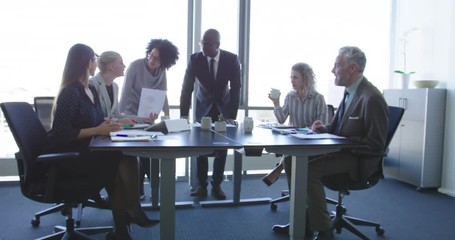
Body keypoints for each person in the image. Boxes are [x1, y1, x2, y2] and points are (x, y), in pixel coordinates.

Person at [43, 43, 159, 240]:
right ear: (87, 63)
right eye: (94, 59)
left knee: (126, 159)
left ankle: (124, 227)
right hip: (71, 159)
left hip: (88, 150)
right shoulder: (71, 92)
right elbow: (61, 133)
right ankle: (130, 215)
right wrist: (98, 130)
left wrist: (112, 122)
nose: (96, 63)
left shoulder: (87, 90)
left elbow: (97, 118)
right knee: (121, 165)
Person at [272, 46, 388, 240]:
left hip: (358, 160)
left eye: (337, 65)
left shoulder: (372, 98)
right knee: (291, 161)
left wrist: (343, 142)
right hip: (343, 152)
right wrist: (324, 128)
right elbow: (336, 127)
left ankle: (325, 231)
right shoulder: (350, 92)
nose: (332, 70)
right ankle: (303, 221)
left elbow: (376, 144)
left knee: (308, 171)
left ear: (352, 68)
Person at [180, 29, 241, 200]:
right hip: (202, 108)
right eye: (202, 43)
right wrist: (184, 116)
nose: (203, 47)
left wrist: (232, 115)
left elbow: (236, 89)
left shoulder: (231, 59)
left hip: (224, 108)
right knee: (201, 149)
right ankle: (201, 185)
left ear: (217, 45)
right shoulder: (195, 59)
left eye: (207, 44)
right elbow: (187, 88)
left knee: (221, 149)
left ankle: (217, 185)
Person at [119, 39, 179, 199]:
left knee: (147, 152)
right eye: (150, 55)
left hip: (148, 117)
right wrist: (118, 118)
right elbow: (124, 95)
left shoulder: (162, 71)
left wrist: (167, 118)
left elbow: (163, 94)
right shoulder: (135, 66)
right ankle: (143, 189)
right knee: (137, 153)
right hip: (130, 116)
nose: (151, 60)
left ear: (165, 62)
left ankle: (147, 189)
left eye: (157, 59)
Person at [89, 51, 135, 126]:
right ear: (112, 66)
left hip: (110, 132)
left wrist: (144, 119)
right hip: (96, 134)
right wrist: (118, 122)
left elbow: (116, 114)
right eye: (121, 63)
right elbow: (95, 117)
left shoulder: (115, 87)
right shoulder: (92, 84)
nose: (124, 66)